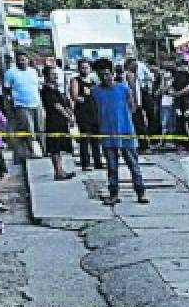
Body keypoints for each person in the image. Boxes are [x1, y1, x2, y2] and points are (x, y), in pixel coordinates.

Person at [91, 58, 148, 204]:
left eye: (107, 74)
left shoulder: (123, 88)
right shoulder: (95, 91)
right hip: (107, 134)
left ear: (112, 73)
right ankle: (114, 194)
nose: (105, 78)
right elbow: (94, 111)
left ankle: (140, 192)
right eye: (101, 75)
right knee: (111, 167)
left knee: (133, 165)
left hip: (126, 132)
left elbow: (132, 107)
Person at [5, 51, 45, 161]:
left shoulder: (33, 71)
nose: (21, 62)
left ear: (27, 60)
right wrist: (11, 104)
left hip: (36, 103)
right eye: (19, 60)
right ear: (16, 61)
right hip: (21, 105)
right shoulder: (10, 73)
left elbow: (38, 87)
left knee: (40, 128)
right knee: (28, 130)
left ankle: (44, 150)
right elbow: (7, 90)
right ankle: (31, 151)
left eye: (23, 60)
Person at [41, 65, 77, 181]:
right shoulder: (46, 91)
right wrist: (69, 118)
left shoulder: (56, 89)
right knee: (55, 147)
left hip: (61, 121)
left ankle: (61, 170)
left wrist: (70, 113)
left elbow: (64, 103)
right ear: (46, 76)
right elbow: (57, 106)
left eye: (55, 73)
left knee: (60, 147)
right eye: (52, 74)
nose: (55, 76)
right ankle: (58, 171)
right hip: (54, 121)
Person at [68, 59, 104, 171]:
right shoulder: (75, 80)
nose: (85, 69)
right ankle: (86, 163)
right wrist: (82, 99)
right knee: (85, 138)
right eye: (82, 67)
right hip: (83, 112)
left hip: (94, 111)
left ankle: (98, 161)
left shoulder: (94, 80)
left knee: (96, 138)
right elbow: (74, 96)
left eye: (86, 67)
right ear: (79, 69)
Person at [171, 63, 189, 152]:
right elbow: (171, 89)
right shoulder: (175, 77)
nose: (183, 68)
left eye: (185, 66)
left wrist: (178, 93)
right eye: (182, 66)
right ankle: (181, 144)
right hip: (178, 104)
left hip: (188, 103)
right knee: (179, 125)